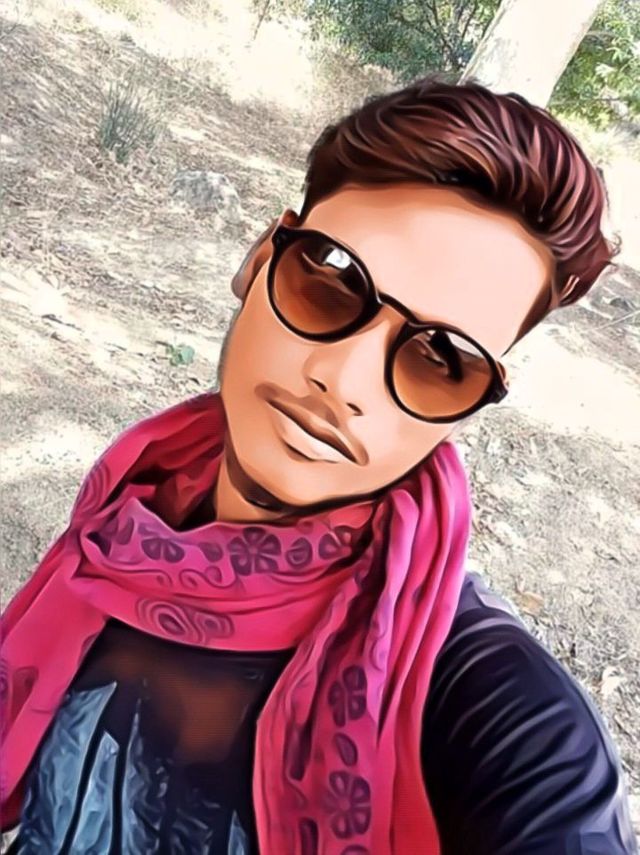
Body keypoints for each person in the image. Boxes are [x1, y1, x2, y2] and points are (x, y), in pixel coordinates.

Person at [1, 77, 637, 854]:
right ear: (259, 258)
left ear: (467, 407)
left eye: (442, 358)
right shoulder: (130, 515)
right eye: (332, 279)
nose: (344, 379)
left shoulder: (497, 710)